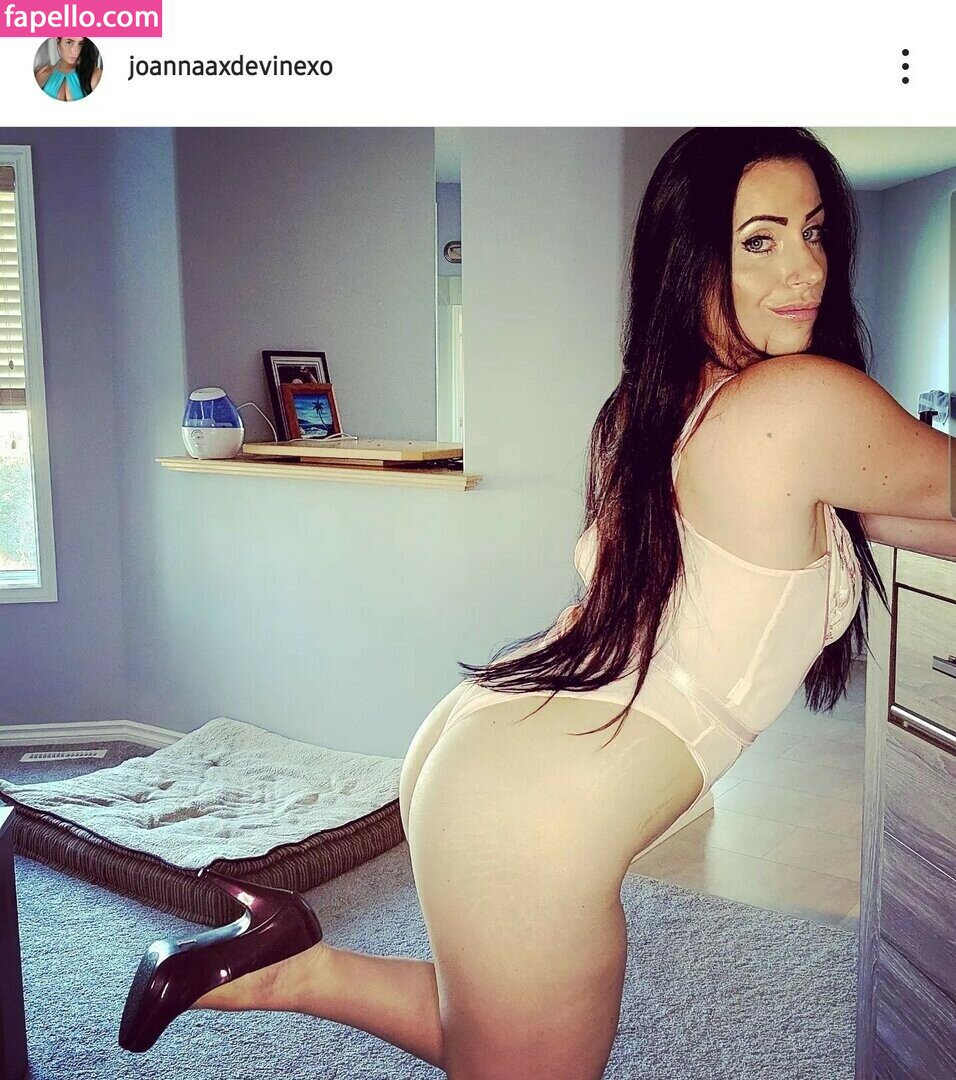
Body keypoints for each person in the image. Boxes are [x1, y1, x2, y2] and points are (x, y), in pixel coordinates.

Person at [117, 128, 954, 1078]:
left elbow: (886, 514)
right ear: (690, 255)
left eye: (814, 231)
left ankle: (288, 966)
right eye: (758, 240)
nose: (804, 267)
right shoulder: (805, 400)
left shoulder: (648, 410)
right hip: (531, 809)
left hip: (481, 748)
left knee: (488, 1036)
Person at [34, 37, 101, 101]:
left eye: (81, 44)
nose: (76, 51)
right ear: (58, 43)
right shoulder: (42, 75)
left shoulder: (93, 74)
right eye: (69, 42)